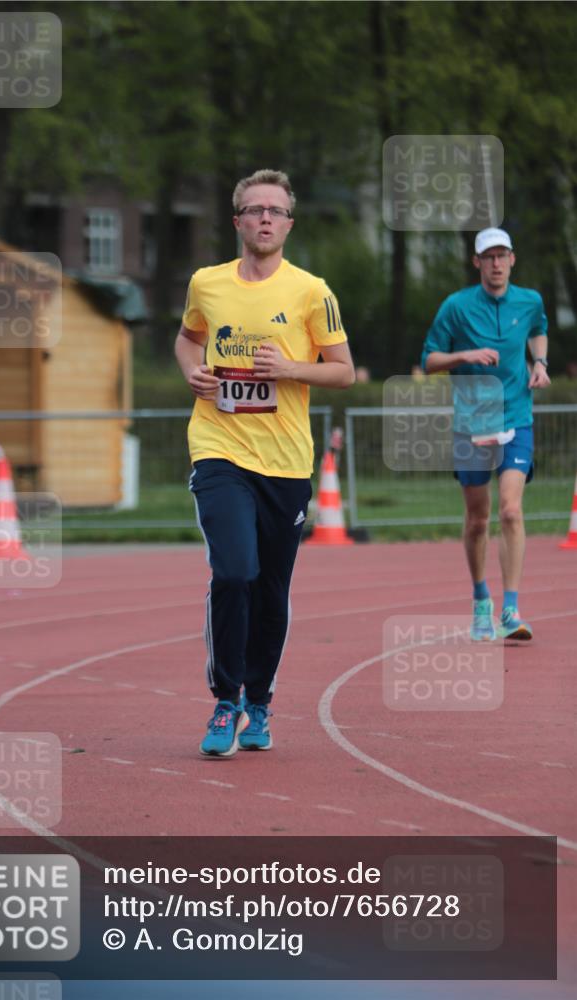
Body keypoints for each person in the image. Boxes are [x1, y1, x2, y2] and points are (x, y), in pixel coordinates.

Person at [175, 168, 355, 757]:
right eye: (255, 210)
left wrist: (292, 369)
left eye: (275, 211)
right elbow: (187, 338)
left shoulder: (311, 291)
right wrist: (192, 371)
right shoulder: (207, 283)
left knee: (272, 587)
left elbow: (344, 370)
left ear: (289, 223)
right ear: (238, 221)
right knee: (233, 572)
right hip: (220, 447)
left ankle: (259, 702)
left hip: (286, 462)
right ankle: (225, 700)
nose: (265, 219)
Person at [421, 227, 550, 641]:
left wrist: (541, 362)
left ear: (513, 259)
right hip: (472, 425)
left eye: (502, 255)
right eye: (488, 257)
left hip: (517, 417)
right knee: (478, 519)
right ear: (477, 262)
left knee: (511, 511)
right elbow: (429, 361)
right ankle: (482, 601)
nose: (496, 264)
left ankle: (511, 610)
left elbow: (539, 329)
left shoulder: (530, 301)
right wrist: (464, 355)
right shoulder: (456, 307)